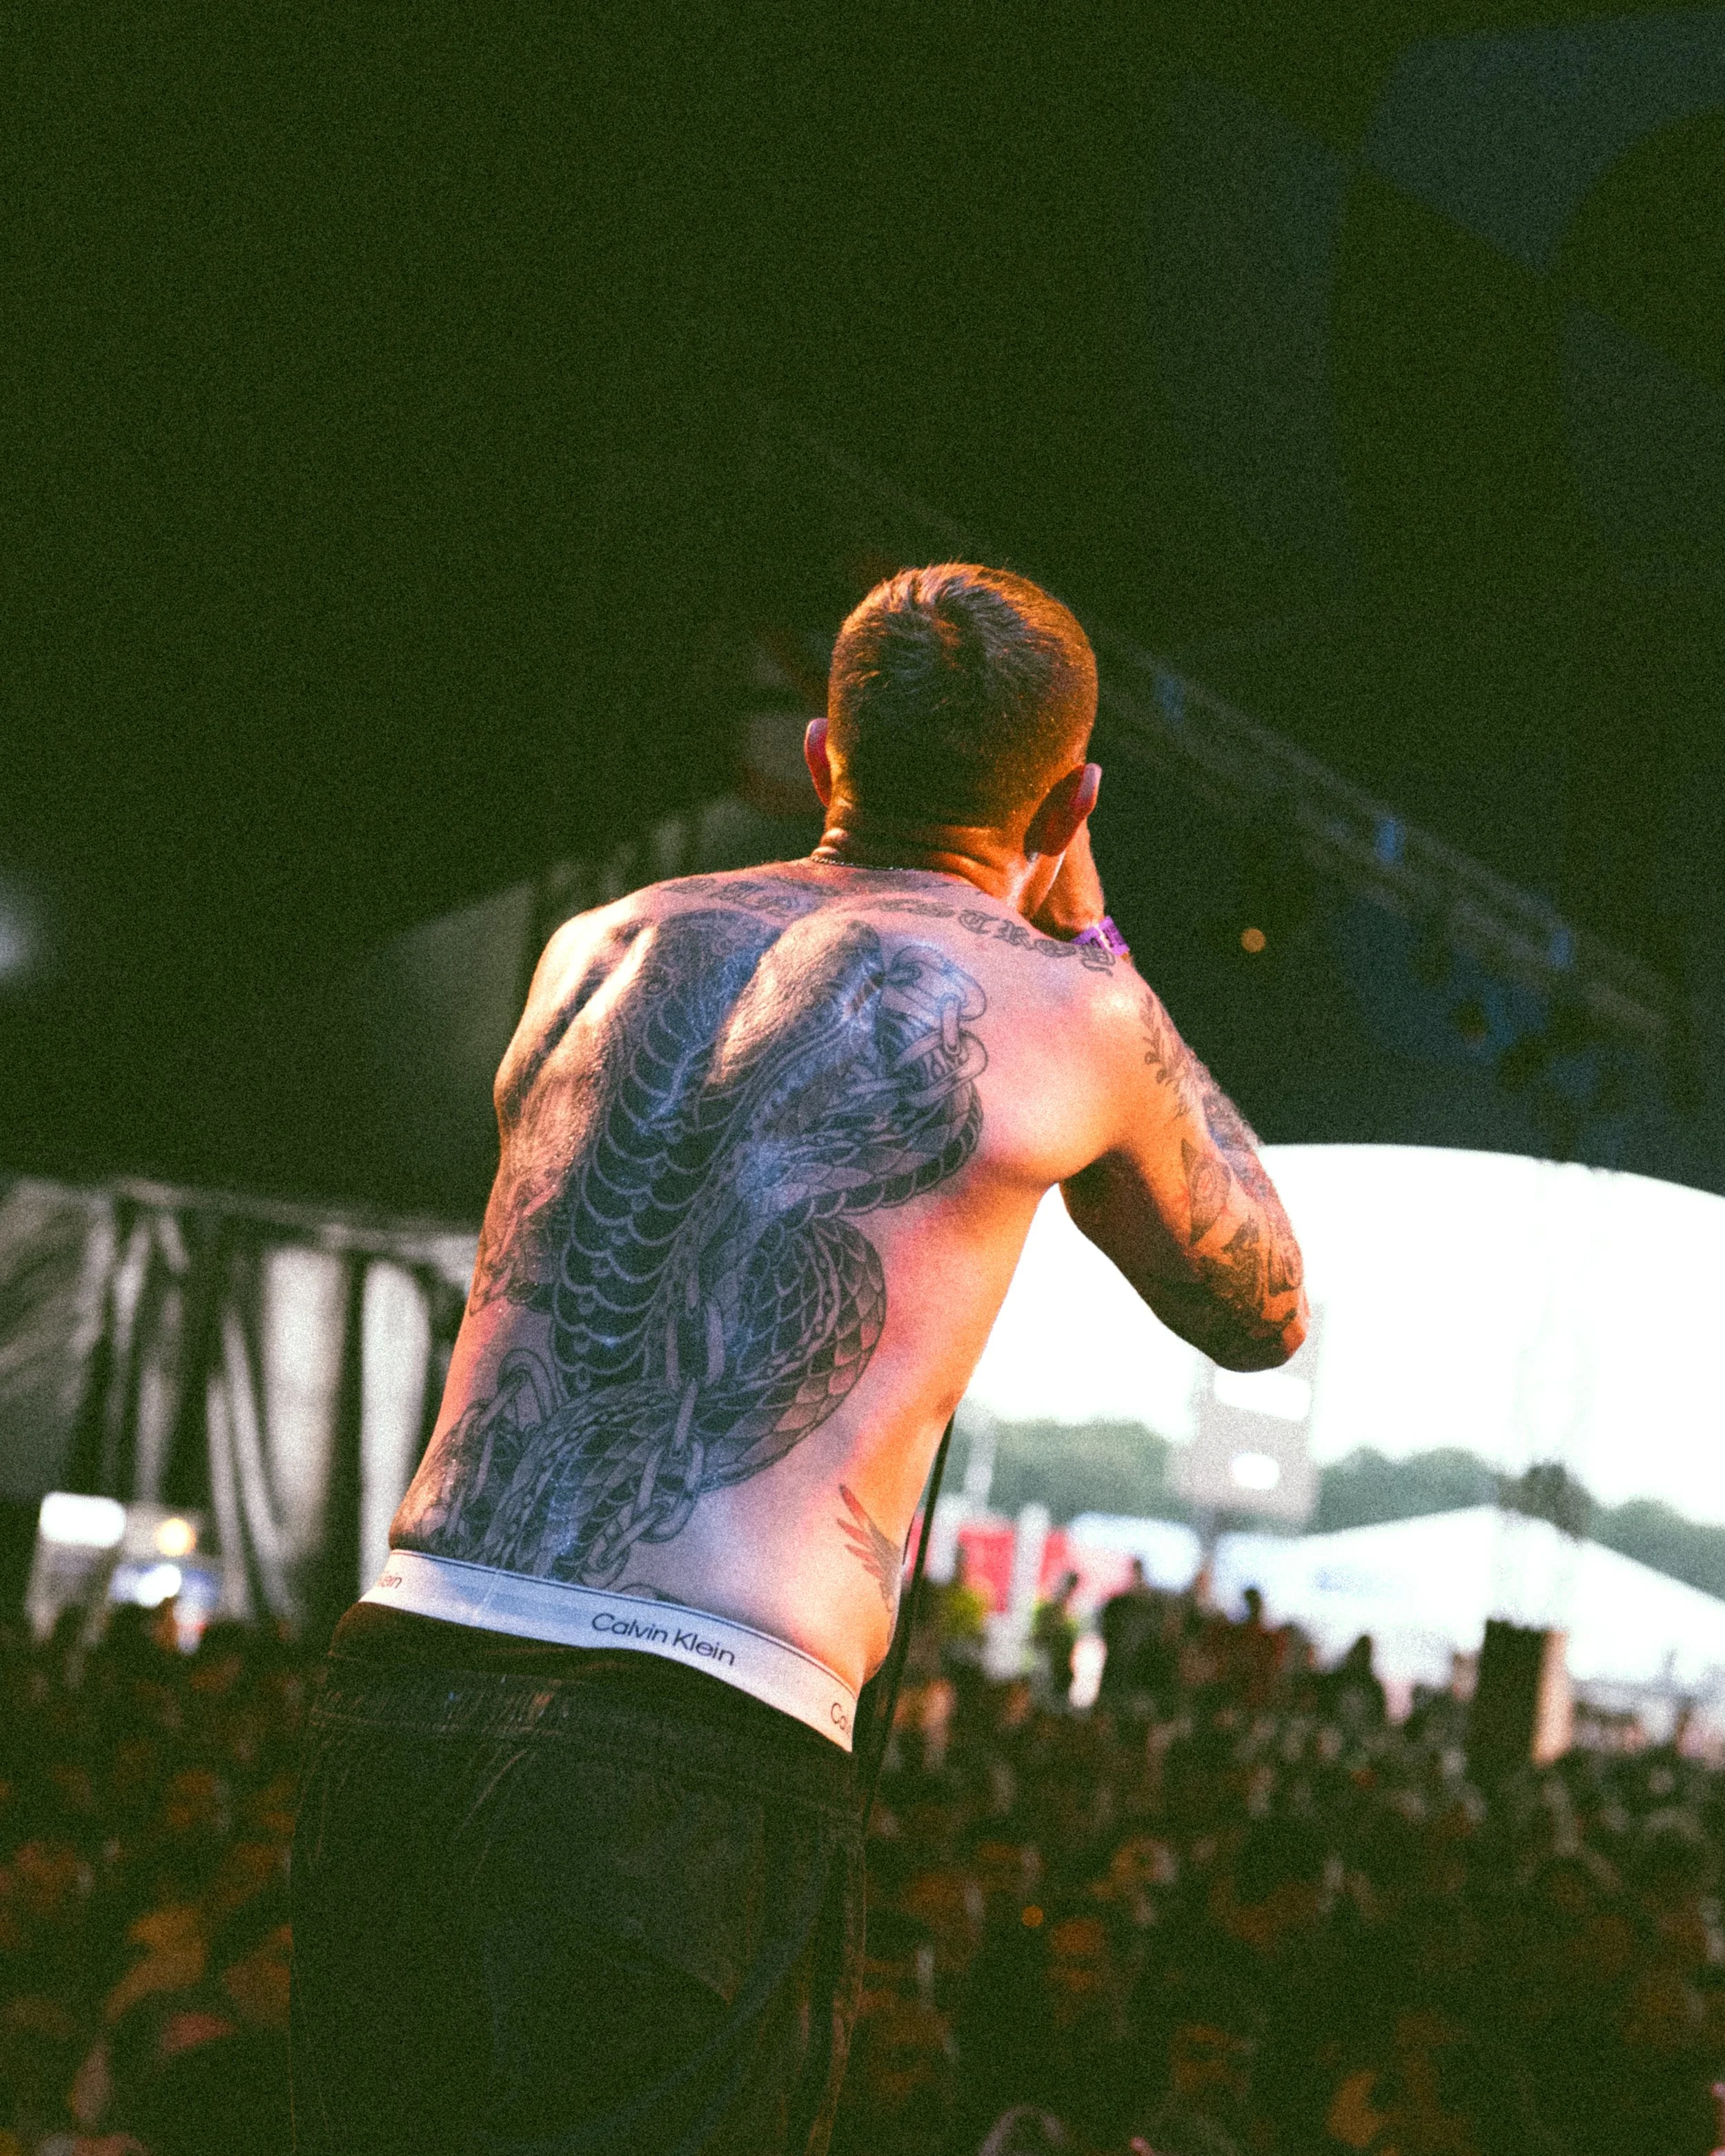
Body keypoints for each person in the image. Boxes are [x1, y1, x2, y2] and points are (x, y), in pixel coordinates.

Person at [289, 562, 1310, 2154]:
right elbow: (1261, 1301)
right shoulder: (1075, 1008)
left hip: (405, 1676)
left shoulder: (599, 944)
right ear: (1072, 800)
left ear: (824, 754)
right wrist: (1094, 926)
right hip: (691, 1733)